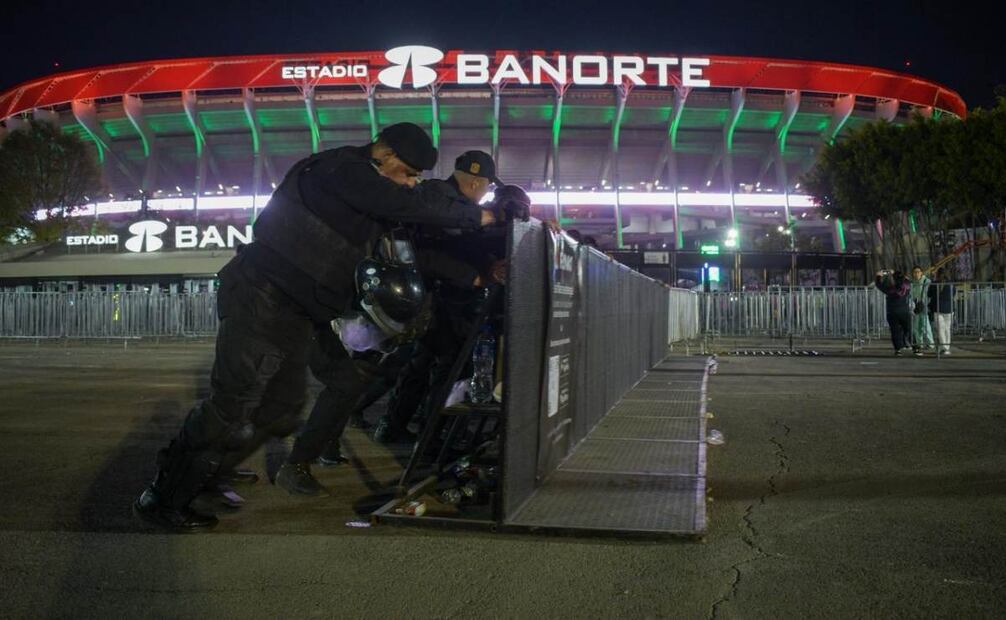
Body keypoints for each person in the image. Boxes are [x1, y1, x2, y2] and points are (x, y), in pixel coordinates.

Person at [133, 123, 505, 531]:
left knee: (280, 409)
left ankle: (207, 472)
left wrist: (482, 259)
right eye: (410, 173)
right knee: (231, 403)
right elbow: (402, 204)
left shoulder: (368, 192)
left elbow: (417, 237)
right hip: (261, 296)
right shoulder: (341, 169)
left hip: (297, 308)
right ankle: (163, 495)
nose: (412, 183)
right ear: (388, 157)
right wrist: (482, 215)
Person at [376, 151, 514, 444]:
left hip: (434, 296)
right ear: (476, 183)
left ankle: (397, 427)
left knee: (422, 365)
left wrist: (488, 265)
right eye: (487, 187)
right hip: (436, 297)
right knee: (450, 368)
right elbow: (427, 253)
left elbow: (460, 245)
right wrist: (471, 275)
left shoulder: (448, 202)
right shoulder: (441, 200)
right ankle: (434, 436)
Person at [875, 269, 912, 355]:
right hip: (904, 311)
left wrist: (879, 276)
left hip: (892, 312)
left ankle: (898, 349)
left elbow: (879, 285)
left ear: (893, 279)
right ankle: (915, 346)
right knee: (908, 329)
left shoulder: (890, 289)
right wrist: (896, 273)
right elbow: (908, 280)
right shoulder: (906, 287)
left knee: (895, 331)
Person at [928, 269, 954, 355]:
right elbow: (953, 294)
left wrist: (932, 280)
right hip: (949, 308)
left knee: (940, 329)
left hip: (938, 309)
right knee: (947, 328)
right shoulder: (951, 284)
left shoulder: (935, 284)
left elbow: (929, 294)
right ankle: (947, 347)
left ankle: (944, 347)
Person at [909, 266, 934, 355]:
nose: (916, 274)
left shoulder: (926, 281)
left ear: (921, 272)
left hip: (924, 305)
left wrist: (926, 303)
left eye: (918, 272)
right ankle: (920, 343)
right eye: (914, 272)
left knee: (925, 325)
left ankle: (930, 343)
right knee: (916, 326)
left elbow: (928, 293)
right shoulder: (912, 283)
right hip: (915, 306)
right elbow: (911, 294)